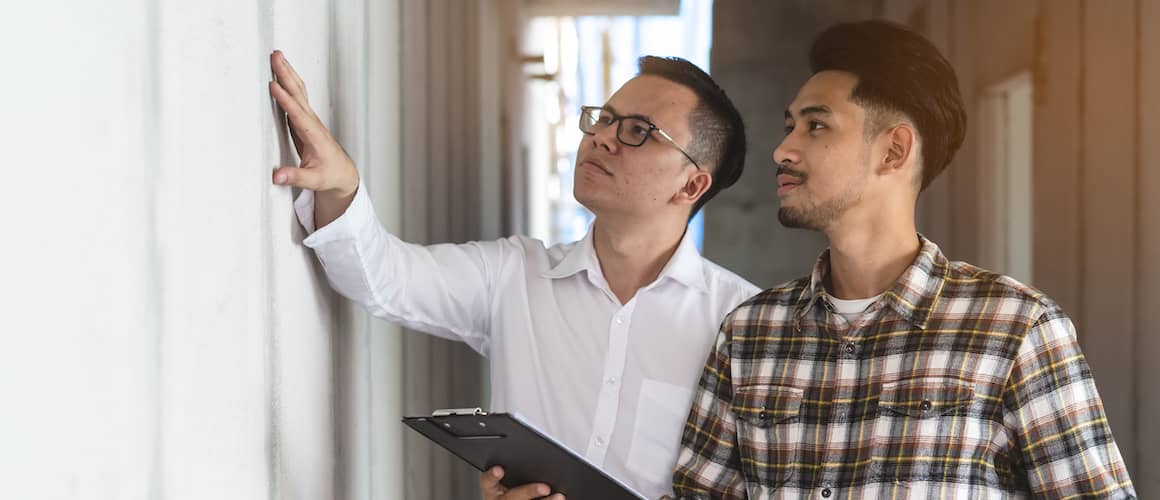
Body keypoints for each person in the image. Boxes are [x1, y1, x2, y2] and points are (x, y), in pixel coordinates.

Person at [670, 20, 1136, 499]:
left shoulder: (1016, 329)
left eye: (816, 125)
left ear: (894, 150)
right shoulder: (749, 332)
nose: (783, 149)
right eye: (790, 126)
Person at [267, 50, 759, 499]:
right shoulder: (514, 275)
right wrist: (341, 185)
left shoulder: (748, 324)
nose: (602, 138)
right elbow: (386, 279)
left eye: (638, 131)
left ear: (691, 184)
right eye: (604, 119)